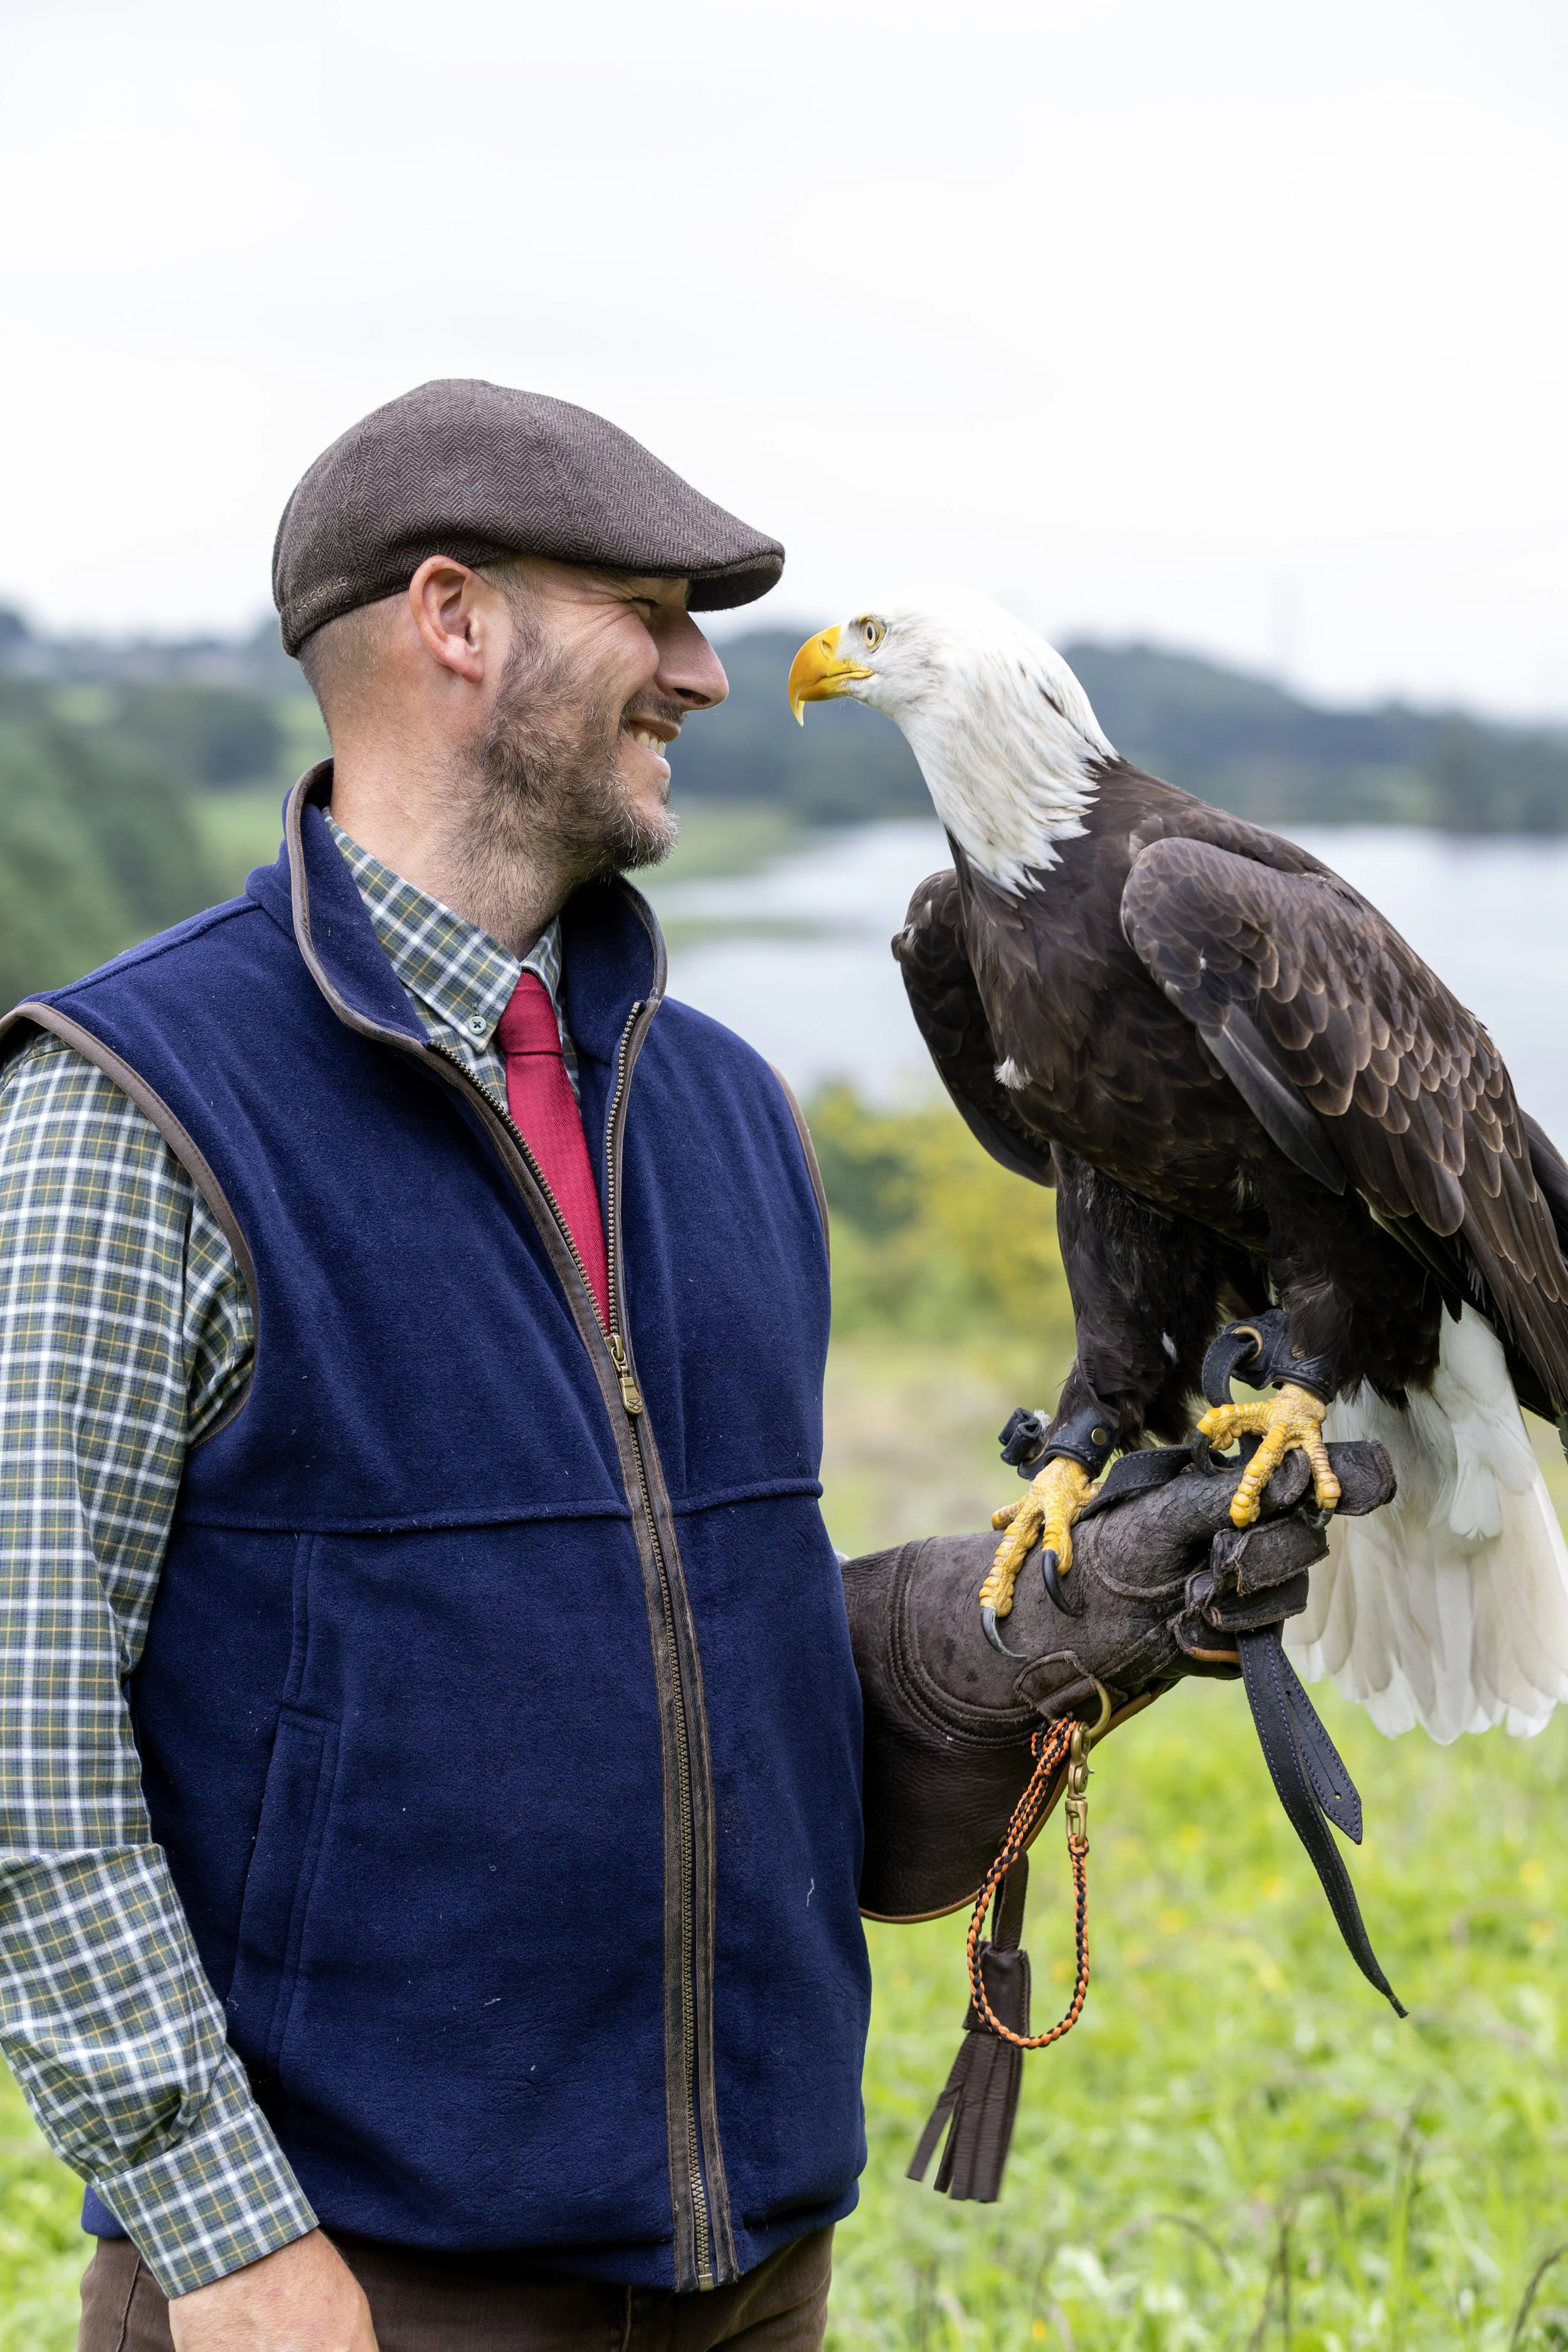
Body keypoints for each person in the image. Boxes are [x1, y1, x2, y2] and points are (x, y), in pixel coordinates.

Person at [0, 380, 866, 2351]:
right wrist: (220, 2237)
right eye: (649, 607)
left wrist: (1020, 1646)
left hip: (753, 2273)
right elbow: (19, 1736)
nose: (702, 672)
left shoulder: (728, 1112)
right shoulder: (134, 1107)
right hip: (351, 2294)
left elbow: (708, 1649)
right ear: (453, 619)